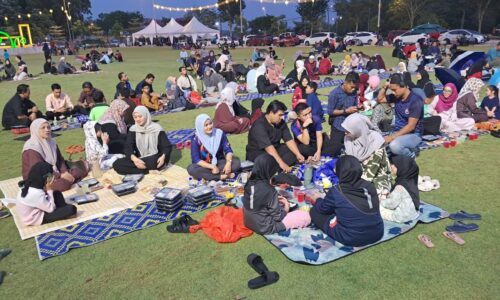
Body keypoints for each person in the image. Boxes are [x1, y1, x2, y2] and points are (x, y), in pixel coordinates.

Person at [309, 155, 384, 247]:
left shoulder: (337, 190)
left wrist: (317, 199)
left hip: (351, 237)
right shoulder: (369, 186)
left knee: (314, 211)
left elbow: (323, 209)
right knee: (343, 208)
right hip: (377, 232)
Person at [242, 154, 311, 235]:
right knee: (305, 216)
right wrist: (286, 206)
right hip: (264, 227)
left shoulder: (249, 183)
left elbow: (256, 201)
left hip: (248, 221)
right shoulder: (268, 190)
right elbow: (278, 217)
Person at [22, 119, 88, 192]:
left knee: (78, 171)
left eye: (48, 127)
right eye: (43, 128)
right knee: (62, 184)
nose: (47, 130)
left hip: (55, 173)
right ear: (35, 130)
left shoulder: (51, 141)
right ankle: (66, 181)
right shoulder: (32, 148)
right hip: (40, 178)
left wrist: (64, 172)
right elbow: (39, 171)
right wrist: (60, 176)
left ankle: (68, 180)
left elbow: (60, 160)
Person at [246, 100, 305, 172]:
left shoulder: (281, 122)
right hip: (259, 153)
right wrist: (282, 163)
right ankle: (277, 166)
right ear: (271, 113)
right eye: (279, 115)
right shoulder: (259, 126)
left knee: (298, 149)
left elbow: (288, 139)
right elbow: (268, 148)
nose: (281, 117)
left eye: (282, 115)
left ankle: (279, 165)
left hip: (275, 148)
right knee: (267, 161)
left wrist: (298, 154)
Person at [341, 113, 392, 196]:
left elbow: (371, 170)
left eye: (348, 130)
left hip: (376, 175)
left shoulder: (376, 141)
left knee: (377, 192)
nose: (345, 133)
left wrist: (352, 184)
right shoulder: (349, 138)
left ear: (357, 128)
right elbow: (345, 159)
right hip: (355, 174)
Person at [112, 106, 172, 175]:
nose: (138, 119)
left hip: (155, 157)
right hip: (140, 158)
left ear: (146, 115)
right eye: (135, 117)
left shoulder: (156, 128)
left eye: (140, 116)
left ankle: (144, 169)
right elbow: (128, 146)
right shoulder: (133, 129)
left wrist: (163, 157)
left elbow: (166, 146)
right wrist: (135, 159)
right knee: (117, 164)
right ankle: (147, 171)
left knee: (153, 161)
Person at [377, 74, 424, 158]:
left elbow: (411, 126)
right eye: (392, 90)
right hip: (397, 132)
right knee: (377, 145)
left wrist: (392, 137)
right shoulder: (397, 97)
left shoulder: (416, 101)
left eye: (395, 90)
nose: (393, 93)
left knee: (394, 146)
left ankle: (411, 156)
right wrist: (385, 87)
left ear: (404, 86)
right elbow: (380, 99)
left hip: (413, 134)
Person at [16, 161, 77, 226]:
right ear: (43, 177)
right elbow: (50, 209)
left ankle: (61, 209)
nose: (51, 178)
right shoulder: (36, 193)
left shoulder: (29, 184)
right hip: (35, 218)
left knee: (56, 193)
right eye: (50, 176)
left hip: (37, 209)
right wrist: (49, 189)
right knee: (71, 209)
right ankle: (62, 210)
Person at [187, 114, 241, 181]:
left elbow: (228, 150)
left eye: (210, 123)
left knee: (236, 162)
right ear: (200, 127)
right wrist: (212, 167)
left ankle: (211, 176)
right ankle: (221, 176)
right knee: (191, 169)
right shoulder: (196, 139)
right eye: (206, 125)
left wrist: (228, 163)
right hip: (204, 166)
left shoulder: (219, 133)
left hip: (219, 163)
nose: (209, 127)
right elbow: (196, 159)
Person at [327, 72, 360, 157]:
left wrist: (358, 108)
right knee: (334, 150)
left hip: (351, 125)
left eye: (355, 87)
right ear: (345, 83)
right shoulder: (334, 94)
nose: (353, 89)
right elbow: (330, 111)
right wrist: (345, 111)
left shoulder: (354, 92)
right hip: (338, 125)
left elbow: (355, 105)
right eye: (351, 87)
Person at [379, 156, 420, 223]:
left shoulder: (400, 187)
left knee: (377, 208)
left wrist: (381, 201)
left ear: (403, 169)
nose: (392, 166)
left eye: (395, 166)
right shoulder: (411, 180)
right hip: (413, 214)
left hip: (400, 216)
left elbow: (391, 204)